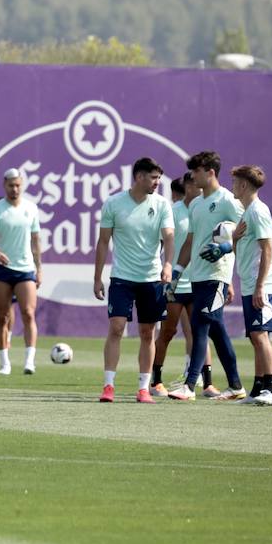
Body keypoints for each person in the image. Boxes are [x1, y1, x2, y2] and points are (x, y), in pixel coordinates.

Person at [92, 157, 174, 403]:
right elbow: (103, 242)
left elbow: (169, 237)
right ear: (139, 177)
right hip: (122, 278)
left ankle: (143, 388)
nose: (157, 183)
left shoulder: (162, 205)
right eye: (153, 178)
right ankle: (108, 386)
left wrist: (168, 264)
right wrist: (97, 278)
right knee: (116, 328)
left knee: (148, 333)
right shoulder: (114, 203)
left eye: (159, 178)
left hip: (152, 279)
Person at [168, 151, 246, 402]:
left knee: (199, 325)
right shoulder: (198, 204)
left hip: (216, 275)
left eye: (196, 171)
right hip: (197, 277)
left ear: (210, 172)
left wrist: (225, 246)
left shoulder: (228, 201)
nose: (192, 176)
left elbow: (246, 229)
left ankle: (190, 385)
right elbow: (190, 241)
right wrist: (177, 273)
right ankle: (235, 386)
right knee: (217, 331)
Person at [153, 173, 212, 396]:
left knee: (200, 333)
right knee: (168, 332)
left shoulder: (204, 210)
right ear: (187, 186)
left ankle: (206, 383)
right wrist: (163, 270)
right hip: (175, 283)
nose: (198, 187)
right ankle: (155, 380)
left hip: (199, 280)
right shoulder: (172, 211)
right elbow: (161, 242)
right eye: (193, 183)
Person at [230, 165, 272, 405]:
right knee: (254, 335)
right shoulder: (248, 211)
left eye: (234, 182)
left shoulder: (258, 211)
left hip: (262, 285)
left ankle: (270, 390)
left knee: (260, 336)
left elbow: (267, 249)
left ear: (243, 185)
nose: (232, 186)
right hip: (251, 284)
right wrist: (234, 238)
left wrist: (261, 286)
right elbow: (244, 247)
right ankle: (257, 390)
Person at [0, 169, 42, 375]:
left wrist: (39, 268)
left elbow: (36, 241)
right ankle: (5, 363)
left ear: (22, 185)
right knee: (2, 317)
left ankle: (29, 361)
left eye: (18, 185)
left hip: (25, 268)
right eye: (11, 185)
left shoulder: (31, 208)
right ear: (4, 185)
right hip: (2, 269)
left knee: (28, 313)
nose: (15, 189)